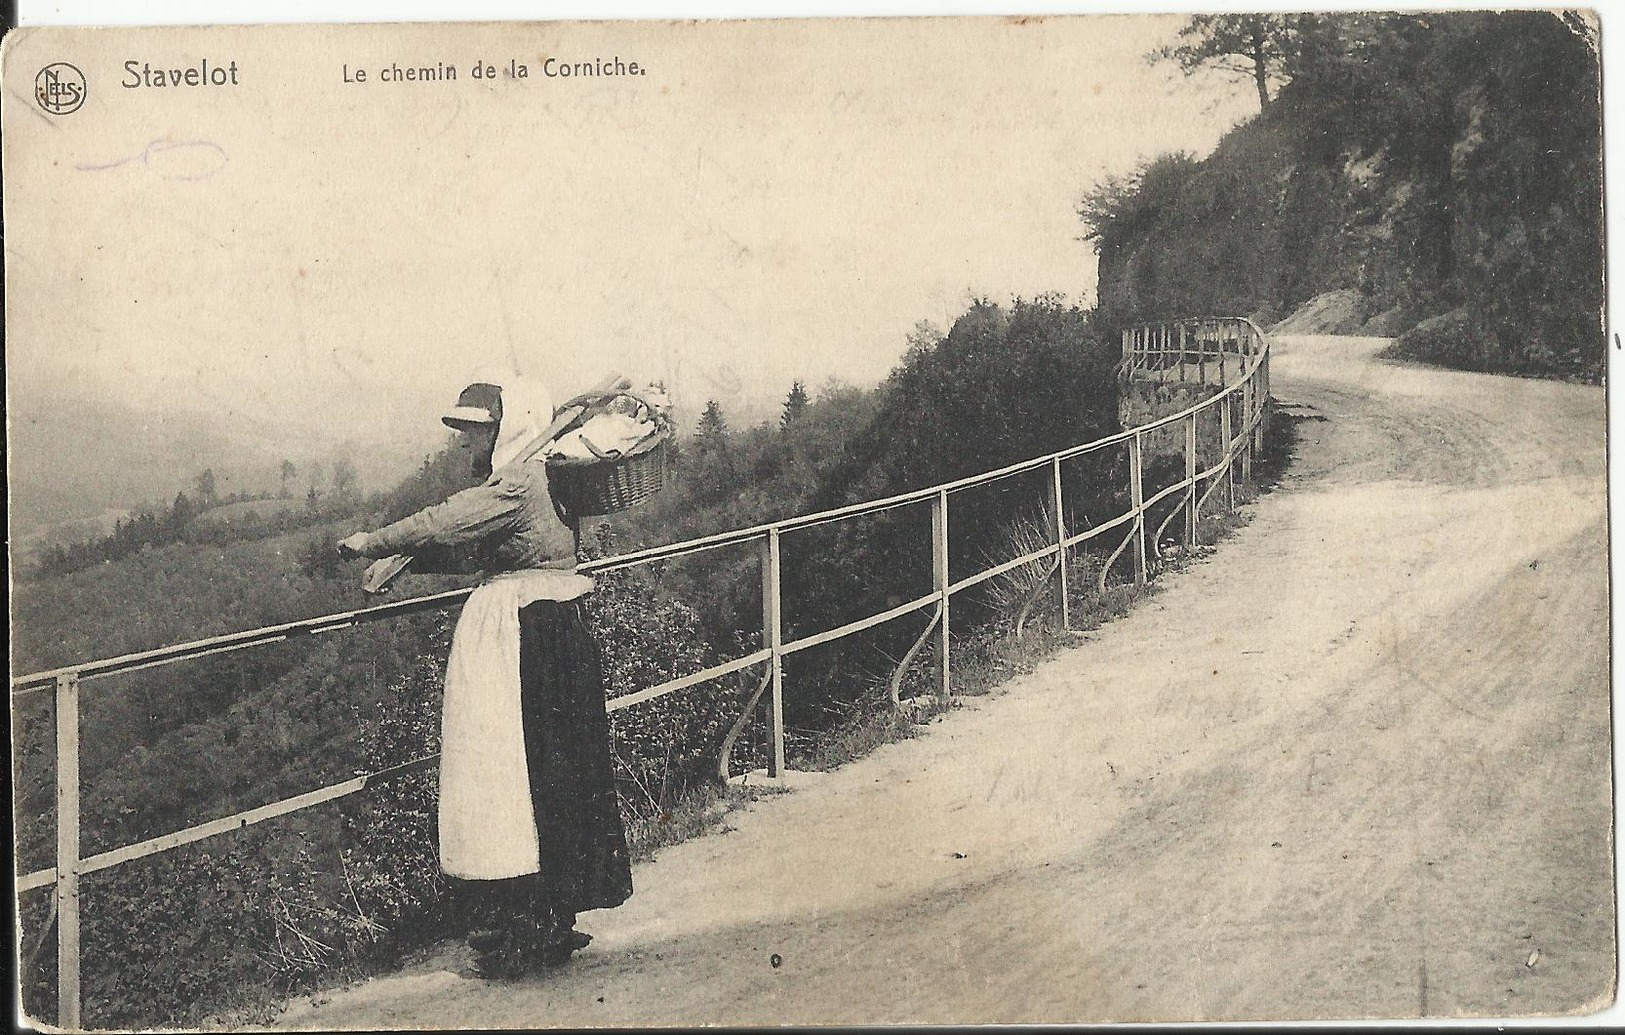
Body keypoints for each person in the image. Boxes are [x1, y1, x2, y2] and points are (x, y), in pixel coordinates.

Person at [337, 374, 633, 978]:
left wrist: (373, 541)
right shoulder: (546, 479)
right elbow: (479, 543)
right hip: (559, 632)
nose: (465, 448)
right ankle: (553, 913)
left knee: (503, 776)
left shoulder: (516, 482)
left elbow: (449, 519)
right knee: (555, 773)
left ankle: (518, 928)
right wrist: (412, 562)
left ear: (504, 431)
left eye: (474, 435)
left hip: (518, 637)